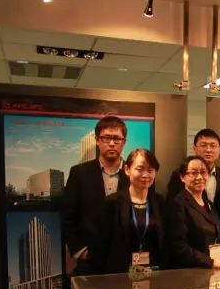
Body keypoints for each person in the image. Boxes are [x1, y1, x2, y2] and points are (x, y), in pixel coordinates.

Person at [62, 115, 130, 276]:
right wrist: (80, 250)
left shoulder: (134, 174)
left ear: (124, 142)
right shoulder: (79, 173)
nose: (111, 143)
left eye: (117, 138)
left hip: (126, 260)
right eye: (106, 138)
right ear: (97, 140)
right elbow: (67, 216)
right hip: (90, 260)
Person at [166, 128, 220, 261]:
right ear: (194, 148)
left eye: (213, 146)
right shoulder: (179, 175)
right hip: (191, 249)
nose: (208, 150)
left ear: (219, 149)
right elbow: (173, 213)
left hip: (219, 245)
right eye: (203, 145)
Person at [97, 149, 168, 274]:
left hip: (155, 273)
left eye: (150, 170)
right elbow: (102, 244)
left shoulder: (161, 202)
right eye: (140, 169)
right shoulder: (113, 202)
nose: (145, 175)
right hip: (120, 274)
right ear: (127, 169)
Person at [166, 156, 220, 269]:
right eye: (193, 173)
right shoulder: (178, 204)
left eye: (203, 172)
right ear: (182, 177)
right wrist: (210, 262)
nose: (199, 177)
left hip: (211, 268)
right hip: (190, 271)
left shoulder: (208, 203)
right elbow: (178, 247)